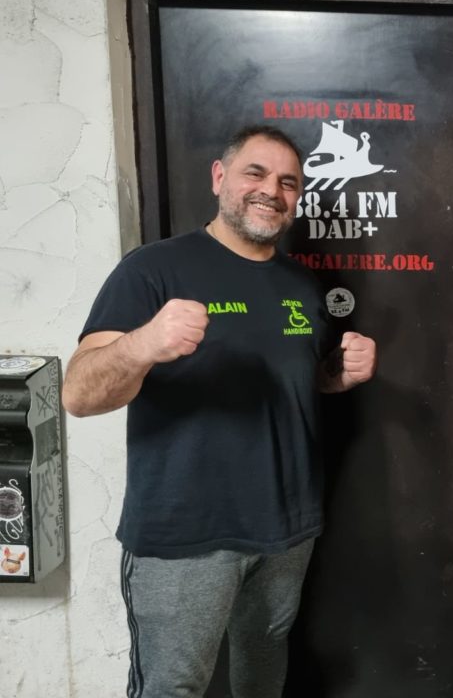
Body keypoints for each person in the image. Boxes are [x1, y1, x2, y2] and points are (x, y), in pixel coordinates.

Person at [62, 125, 377, 698]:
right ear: (219, 177)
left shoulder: (301, 284)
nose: (271, 191)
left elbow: (298, 381)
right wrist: (144, 344)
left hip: (286, 527)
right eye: (255, 173)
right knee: (173, 686)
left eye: (288, 182)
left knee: (262, 672)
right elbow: (79, 395)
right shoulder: (152, 269)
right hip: (187, 533)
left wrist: (338, 374)